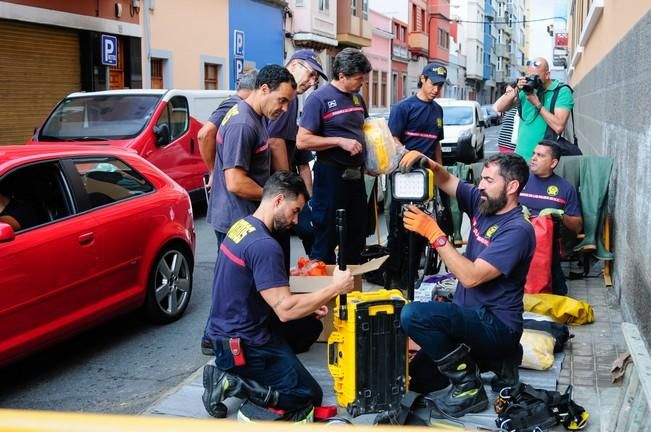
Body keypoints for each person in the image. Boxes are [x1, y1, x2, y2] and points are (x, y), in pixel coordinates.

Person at [202, 171, 354, 420]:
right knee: (307, 394)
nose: (296, 221)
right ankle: (235, 381)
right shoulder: (264, 245)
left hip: (228, 334)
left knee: (307, 325)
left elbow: (260, 290)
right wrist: (336, 288)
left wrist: (307, 304)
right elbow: (285, 310)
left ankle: (252, 372)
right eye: (295, 211)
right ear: (279, 200)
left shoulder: (243, 226)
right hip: (243, 345)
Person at [396, 151, 535, 418]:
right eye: (481, 179)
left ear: (512, 186)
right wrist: (427, 162)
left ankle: (470, 387)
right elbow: (446, 179)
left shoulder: (518, 230)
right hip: (469, 321)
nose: (480, 185)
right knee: (418, 381)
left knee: (413, 315)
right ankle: (497, 363)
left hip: (496, 326)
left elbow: (470, 276)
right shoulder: (484, 203)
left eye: (488, 180)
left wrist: (434, 234)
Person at [296, 47, 372, 265]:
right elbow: (303, 140)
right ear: (341, 76)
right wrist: (339, 141)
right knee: (326, 236)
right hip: (330, 177)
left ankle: (349, 291)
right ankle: (323, 295)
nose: (362, 83)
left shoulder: (357, 99)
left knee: (356, 235)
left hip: (356, 178)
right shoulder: (319, 100)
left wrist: (372, 161)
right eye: (359, 78)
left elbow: (364, 131)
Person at [206, 64, 297, 245]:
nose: (285, 108)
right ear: (264, 89)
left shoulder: (256, 115)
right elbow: (236, 183)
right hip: (237, 223)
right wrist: (274, 199)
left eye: (288, 103)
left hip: (243, 219)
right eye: (282, 100)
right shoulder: (243, 125)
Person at [385, 62, 446, 291]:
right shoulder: (404, 108)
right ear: (422, 79)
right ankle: (396, 280)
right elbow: (392, 139)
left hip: (428, 179)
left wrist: (441, 172)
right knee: (399, 229)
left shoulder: (438, 110)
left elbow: (436, 143)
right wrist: (410, 157)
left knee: (423, 229)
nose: (436, 90)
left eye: (440, 86)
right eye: (433, 84)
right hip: (405, 177)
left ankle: (415, 275)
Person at [267, 49, 327, 262]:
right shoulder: (288, 99)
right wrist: (289, 186)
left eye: (316, 79)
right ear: (293, 66)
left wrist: (306, 200)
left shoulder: (293, 100)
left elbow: (302, 160)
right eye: (311, 75)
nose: (312, 82)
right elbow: (275, 140)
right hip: (274, 192)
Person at [519, 140, 582, 295]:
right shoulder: (520, 179)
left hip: (547, 247)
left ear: (553, 163)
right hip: (516, 241)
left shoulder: (565, 188)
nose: (533, 158)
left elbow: (577, 226)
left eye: (540, 155)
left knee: (557, 292)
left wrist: (559, 215)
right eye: (534, 153)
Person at [493, 57, 574, 161]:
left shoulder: (561, 91)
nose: (532, 80)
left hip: (543, 161)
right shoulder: (525, 89)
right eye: (529, 76)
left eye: (536, 76)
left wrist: (537, 104)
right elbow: (499, 107)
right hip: (520, 158)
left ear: (547, 75)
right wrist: (516, 89)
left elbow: (558, 127)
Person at [198, 69, 258, 189]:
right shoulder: (234, 104)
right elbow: (204, 134)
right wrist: (214, 172)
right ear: (255, 89)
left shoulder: (236, 103)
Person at [494, 84, 519, 153]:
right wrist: (507, 94)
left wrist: (514, 92)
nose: (509, 94)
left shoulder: (521, 104)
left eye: (511, 91)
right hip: (504, 144)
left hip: (515, 145)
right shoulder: (507, 106)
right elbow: (495, 107)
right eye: (506, 93)